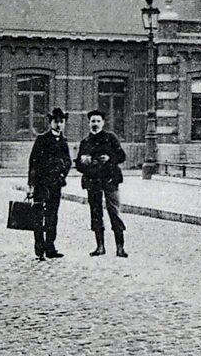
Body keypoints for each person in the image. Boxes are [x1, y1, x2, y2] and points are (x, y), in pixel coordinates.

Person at [75, 110, 128, 257]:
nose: (95, 124)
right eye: (93, 121)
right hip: (93, 181)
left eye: (98, 121)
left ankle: (120, 247)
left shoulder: (111, 138)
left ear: (103, 123)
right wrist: (83, 161)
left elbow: (122, 156)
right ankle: (100, 246)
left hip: (110, 179)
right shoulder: (85, 142)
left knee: (114, 211)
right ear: (88, 123)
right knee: (96, 213)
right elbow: (78, 165)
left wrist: (109, 158)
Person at [26, 108, 72, 261]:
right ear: (50, 122)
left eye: (61, 122)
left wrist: (61, 174)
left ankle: (50, 247)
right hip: (41, 183)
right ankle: (39, 248)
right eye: (56, 121)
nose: (58, 125)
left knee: (52, 216)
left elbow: (68, 161)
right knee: (39, 216)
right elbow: (33, 162)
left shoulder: (64, 142)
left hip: (56, 184)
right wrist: (31, 185)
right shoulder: (42, 139)